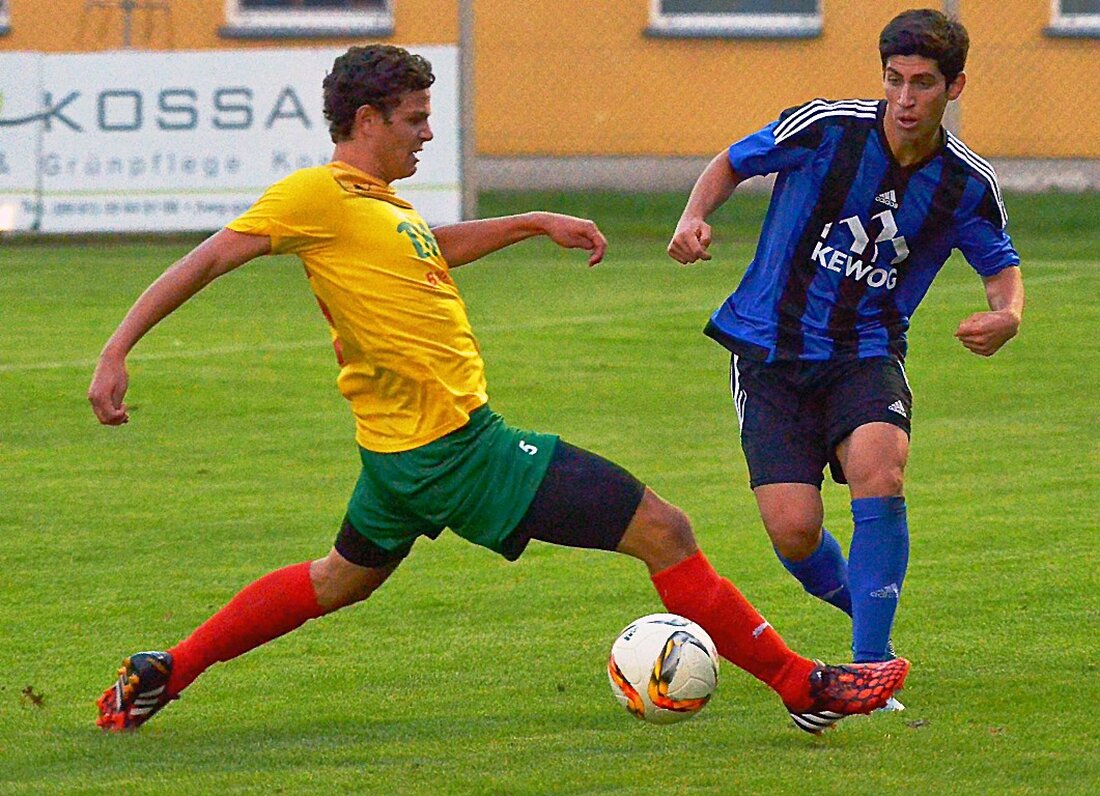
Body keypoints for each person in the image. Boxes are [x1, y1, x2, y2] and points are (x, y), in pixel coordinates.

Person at [90, 44, 907, 737]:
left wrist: (527, 223)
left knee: (338, 578)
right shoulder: (315, 196)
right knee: (664, 529)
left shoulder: (374, 207)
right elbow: (209, 257)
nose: (427, 131)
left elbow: (427, 249)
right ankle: (805, 688)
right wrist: (118, 350)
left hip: (400, 458)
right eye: (414, 118)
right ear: (366, 121)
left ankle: (171, 668)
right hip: (458, 450)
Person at [667, 8, 1024, 703]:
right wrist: (693, 215)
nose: (905, 99)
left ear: (955, 88)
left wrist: (1007, 314)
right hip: (769, 349)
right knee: (795, 531)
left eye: (923, 83)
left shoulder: (965, 184)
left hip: (865, 352)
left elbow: (999, 264)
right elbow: (731, 162)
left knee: (880, 471)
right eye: (894, 80)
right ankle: (865, 608)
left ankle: (870, 662)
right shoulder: (826, 128)